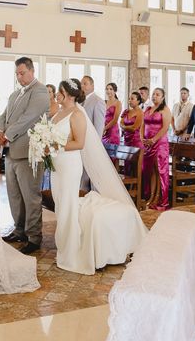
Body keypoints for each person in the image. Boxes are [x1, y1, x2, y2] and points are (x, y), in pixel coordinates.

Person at [49, 78, 147, 275]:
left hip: (69, 164)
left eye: (59, 91)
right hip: (56, 165)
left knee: (68, 202)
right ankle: (64, 245)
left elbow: (79, 143)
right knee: (60, 202)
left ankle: (71, 251)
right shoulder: (58, 113)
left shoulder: (77, 114)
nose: (57, 95)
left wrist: (54, 146)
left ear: (68, 94)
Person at [0, 57, 50, 255]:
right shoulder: (14, 94)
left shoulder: (40, 92)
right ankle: (19, 230)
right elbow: (4, 116)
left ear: (31, 70)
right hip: (11, 152)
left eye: (22, 73)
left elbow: (28, 119)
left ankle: (34, 236)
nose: (19, 77)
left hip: (29, 152)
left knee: (30, 196)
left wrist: (8, 135)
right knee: (14, 195)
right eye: (17, 74)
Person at [140, 88, 172, 210]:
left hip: (160, 144)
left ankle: (160, 197)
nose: (154, 96)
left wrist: (153, 140)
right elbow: (142, 125)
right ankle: (152, 196)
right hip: (148, 144)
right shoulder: (148, 109)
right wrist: (142, 138)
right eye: (153, 94)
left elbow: (165, 128)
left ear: (163, 97)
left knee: (159, 170)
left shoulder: (165, 110)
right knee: (151, 171)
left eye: (157, 95)